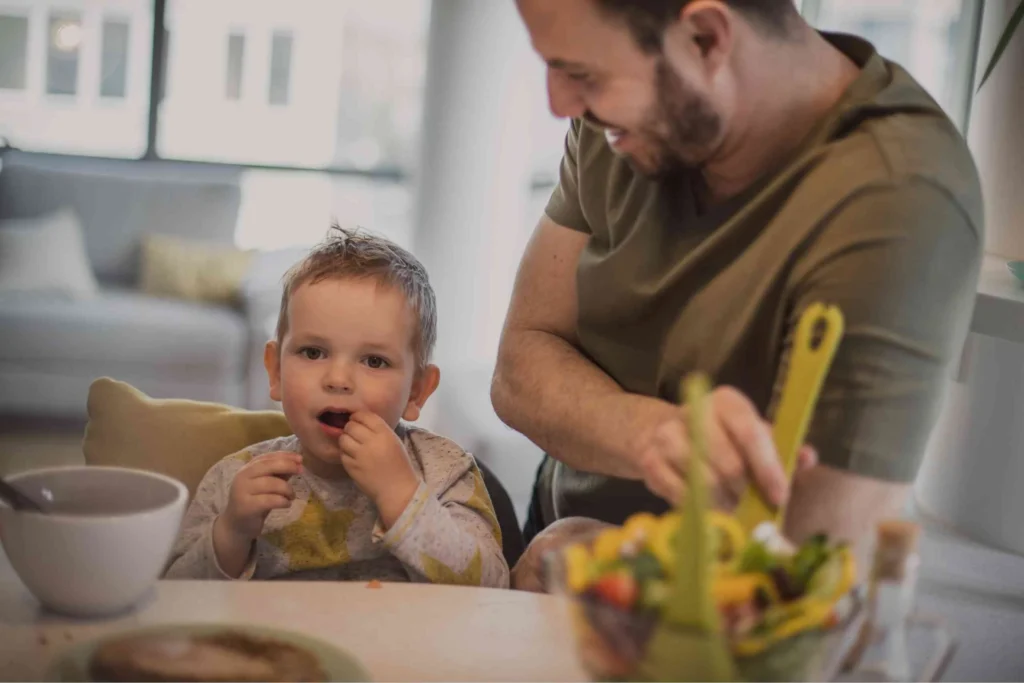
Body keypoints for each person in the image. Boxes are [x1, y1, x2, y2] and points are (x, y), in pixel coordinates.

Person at [493, 0, 982, 591]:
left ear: (704, 37)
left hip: (711, 621)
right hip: (553, 539)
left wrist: (612, 560)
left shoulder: (899, 199)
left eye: (582, 74)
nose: (560, 104)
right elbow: (522, 362)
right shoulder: (624, 119)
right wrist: (650, 435)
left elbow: (809, 559)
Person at [167, 227, 509, 587]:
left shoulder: (444, 474)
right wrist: (232, 533)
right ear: (276, 371)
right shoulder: (235, 480)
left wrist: (402, 495)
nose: (338, 379)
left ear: (417, 391)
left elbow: (494, 588)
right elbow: (176, 597)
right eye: (313, 352)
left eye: (374, 361)